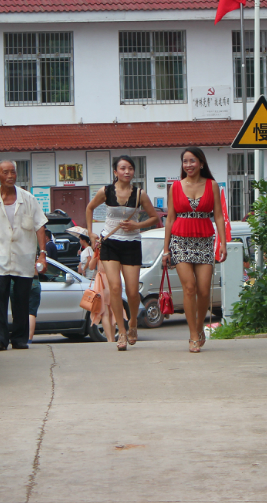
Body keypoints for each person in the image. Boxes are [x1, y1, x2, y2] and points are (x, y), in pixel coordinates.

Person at [85, 155, 159, 351]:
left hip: (132, 243)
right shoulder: (106, 191)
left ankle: (133, 321)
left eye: (130, 168)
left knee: (133, 291)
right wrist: (91, 233)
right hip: (110, 242)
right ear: (115, 172)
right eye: (123, 168)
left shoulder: (140, 194)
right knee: (115, 288)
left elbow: (153, 218)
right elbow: (90, 208)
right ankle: (122, 331)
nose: (127, 172)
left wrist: (137, 225)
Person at [0, 159, 48, 350]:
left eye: (13, 172)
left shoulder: (28, 199)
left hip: (23, 257)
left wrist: (42, 254)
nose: (9, 176)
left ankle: (20, 339)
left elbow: (40, 226)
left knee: (22, 298)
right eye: (5, 173)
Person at [162, 147, 227, 353]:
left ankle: (199, 329)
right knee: (189, 287)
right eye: (185, 161)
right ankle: (192, 335)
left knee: (204, 289)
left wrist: (222, 243)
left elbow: (218, 216)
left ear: (201, 163)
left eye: (192, 161)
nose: (188, 165)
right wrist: (166, 249)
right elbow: (170, 218)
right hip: (180, 241)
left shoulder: (212, 185)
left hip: (205, 240)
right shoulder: (175, 187)